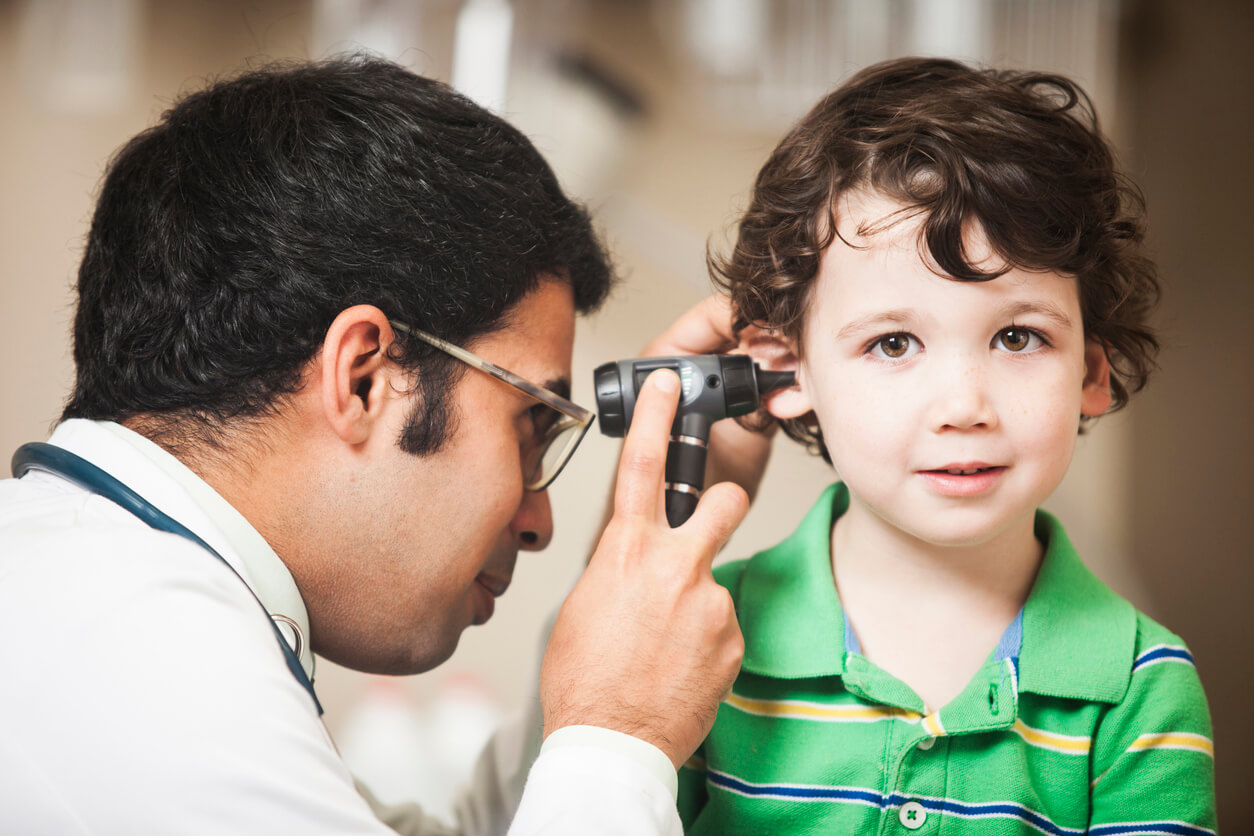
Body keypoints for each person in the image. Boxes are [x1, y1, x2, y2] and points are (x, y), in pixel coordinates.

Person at [0, 56, 761, 835]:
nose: (540, 522)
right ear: (364, 375)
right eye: (530, 425)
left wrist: (623, 632)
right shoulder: (142, 663)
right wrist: (619, 736)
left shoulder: (90, 588)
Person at [677, 57, 1217, 834]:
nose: (965, 406)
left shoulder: (1141, 688)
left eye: (1019, 336)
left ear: (1092, 373)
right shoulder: (704, 635)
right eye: (894, 343)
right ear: (785, 372)